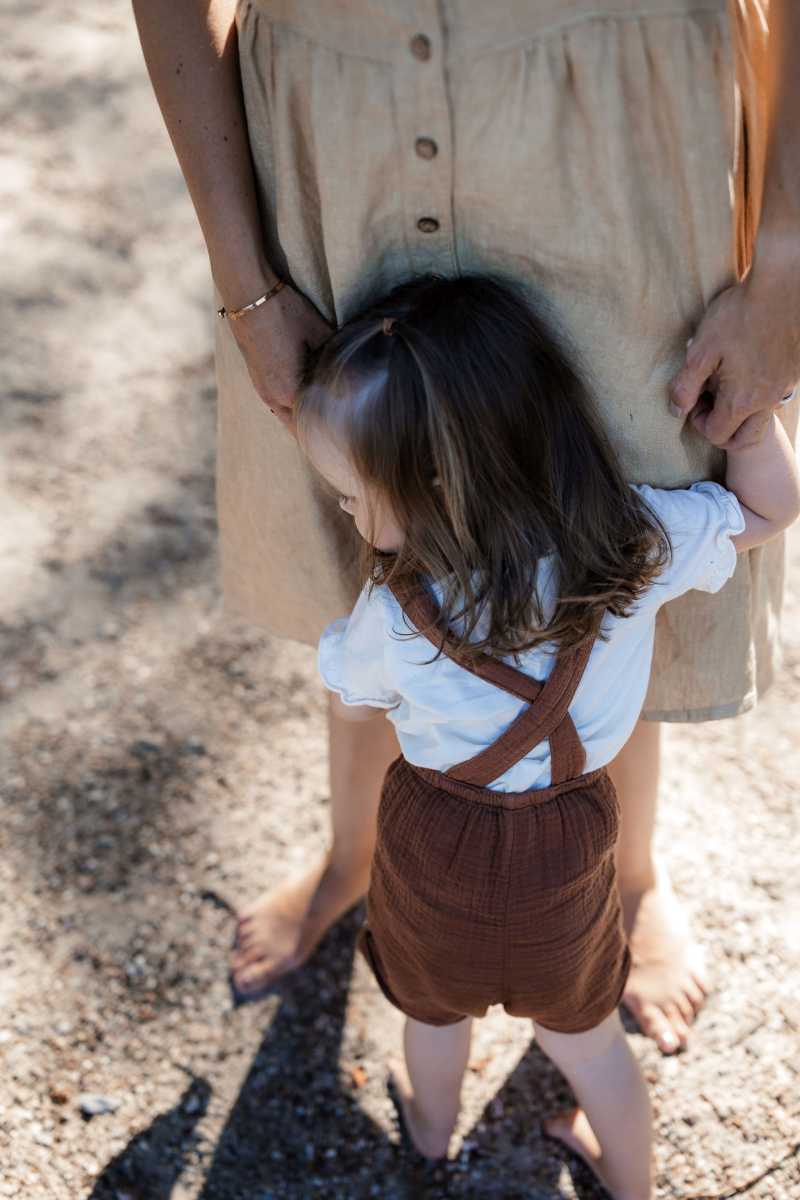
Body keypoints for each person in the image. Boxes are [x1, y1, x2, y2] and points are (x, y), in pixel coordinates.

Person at [131, 0, 800, 1054]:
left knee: (607, 527)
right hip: (333, 123)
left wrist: (787, 258)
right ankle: (355, 850)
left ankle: (628, 876)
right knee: (359, 539)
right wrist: (244, 280)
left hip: (616, 120)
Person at [290, 272, 799, 1194]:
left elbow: (351, 694)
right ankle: (630, 1180)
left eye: (353, 496)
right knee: (591, 1042)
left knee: (434, 1015)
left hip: (437, 838)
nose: (347, 514)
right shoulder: (630, 542)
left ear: (434, 483)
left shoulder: (393, 613)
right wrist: (756, 427)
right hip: (566, 843)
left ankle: (433, 1136)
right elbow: (767, 512)